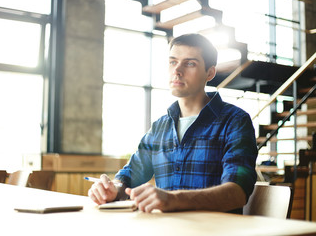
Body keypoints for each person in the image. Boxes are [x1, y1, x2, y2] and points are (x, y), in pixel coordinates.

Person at [88, 33, 257, 214]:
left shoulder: (235, 121)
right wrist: (113, 188)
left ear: (210, 73)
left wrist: (173, 199)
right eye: (172, 62)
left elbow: (237, 192)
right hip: (166, 230)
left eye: (190, 63)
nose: (177, 70)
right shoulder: (160, 127)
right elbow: (128, 176)